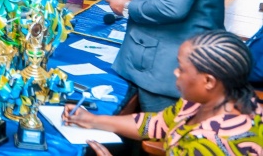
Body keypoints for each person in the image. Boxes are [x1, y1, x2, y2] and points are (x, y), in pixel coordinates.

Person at [62, 31, 262, 155]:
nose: (175, 72)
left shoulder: (212, 142)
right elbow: (157, 124)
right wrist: (93, 120)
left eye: (182, 69)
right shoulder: (205, 101)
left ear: (208, 81)